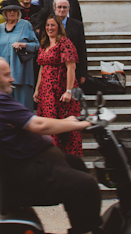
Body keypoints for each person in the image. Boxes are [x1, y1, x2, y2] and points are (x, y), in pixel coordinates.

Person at [0, 57, 100, 234]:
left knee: (76, 164)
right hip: (24, 170)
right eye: (7, 75)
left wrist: (67, 121)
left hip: (29, 162)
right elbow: (38, 125)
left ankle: (81, 226)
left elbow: (34, 122)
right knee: (86, 185)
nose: (12, 79)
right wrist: (76, 125)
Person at [33, 15, 82, 156]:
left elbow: (71, 68)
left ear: (58, 27)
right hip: (46, 92)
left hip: (60, 89)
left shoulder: (64, 43)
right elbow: (42, 69)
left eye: (53, 25)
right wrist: (37, 89)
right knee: (49, 124)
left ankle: (67, 158)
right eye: (47, 25)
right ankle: (52, 155)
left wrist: (68, 91)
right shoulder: (44, 44)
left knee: (63, 125)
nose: (50, 28)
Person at [0, 0, 39, 111]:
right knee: (6, 110)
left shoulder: (25, 24)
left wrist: (23, 45)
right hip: (4, 76)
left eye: (15, 10)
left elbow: (37, 45)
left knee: (23, 109)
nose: (12, 13)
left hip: (22, 74)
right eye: (9, 11)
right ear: (4, 13)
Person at [55, 0, 89, 86]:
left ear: (68, 9)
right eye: (59, 7)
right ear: (54, 9)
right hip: (54, 70)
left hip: (72, 69)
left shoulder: (77, 25)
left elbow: (82, 49)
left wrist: (83, 73)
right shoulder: (48, 25)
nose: (62, 10)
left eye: (64, 7)